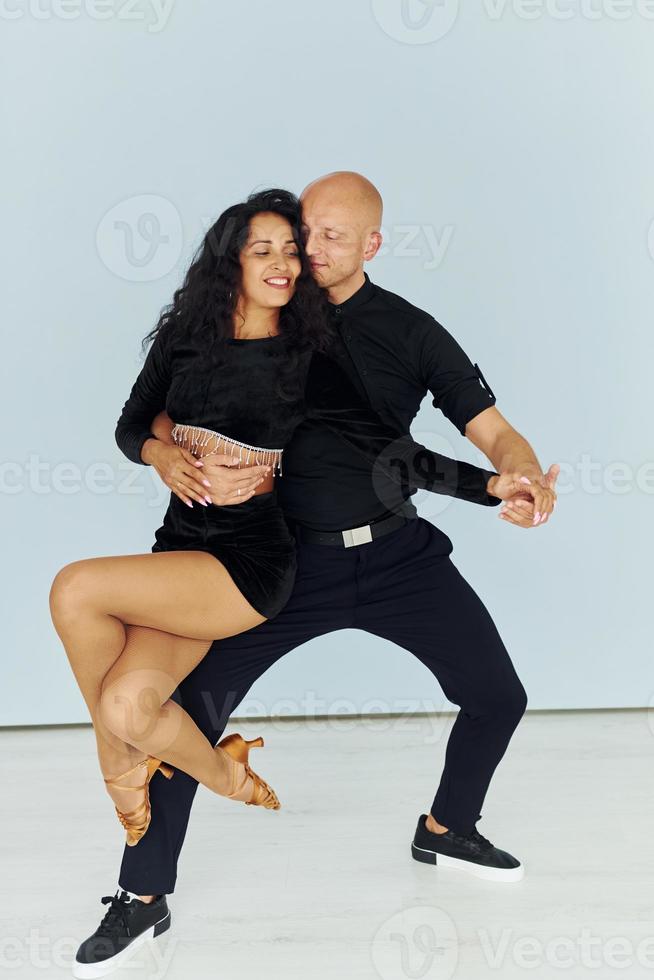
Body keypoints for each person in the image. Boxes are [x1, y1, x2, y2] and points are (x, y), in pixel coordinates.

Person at [68, 175, 556, 977]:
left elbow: (484, 429)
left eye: (328, 238)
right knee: (181, 713)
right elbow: (167, 397)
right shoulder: (270, 321)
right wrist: (168, 454)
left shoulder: (407, 329)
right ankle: (141, 894)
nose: (308, 254)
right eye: (300, 236)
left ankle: (446, 828)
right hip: (282, 562)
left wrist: (514, 476)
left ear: (372, 244)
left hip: (398, 554)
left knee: (499, 695)